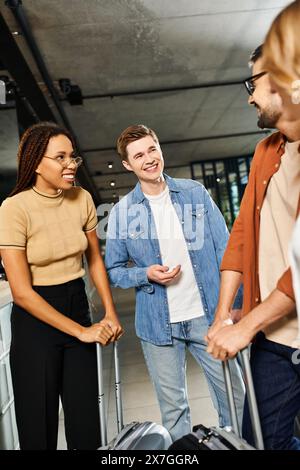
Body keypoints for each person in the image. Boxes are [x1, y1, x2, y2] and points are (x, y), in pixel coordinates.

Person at [104, 124, 245, 442]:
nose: (149, 159)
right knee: (175, 415)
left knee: (236, 405)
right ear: (128, 165)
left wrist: (236, 309)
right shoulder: (123, 213)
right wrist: (145, 274)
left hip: (208, 319)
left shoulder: (194, 193)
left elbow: (227, 252)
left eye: (152, 149)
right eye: (139, 155)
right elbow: (113, 270)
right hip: (158, 328)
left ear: (159, 148)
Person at [0, 122, 123, 450]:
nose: (71, 164)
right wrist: (80, 332)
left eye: (73, 157)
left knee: (86, 426)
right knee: (38, 429)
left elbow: (94, 260)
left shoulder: (81, 198)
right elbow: (22, 293)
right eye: (61, 157)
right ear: (37, 162)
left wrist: (110, 313)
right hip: (35, 322)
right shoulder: (14, 208)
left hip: (76, 303)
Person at [206, 44, 300, 449]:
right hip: (275, 341)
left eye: (254, 82)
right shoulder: (267, 151)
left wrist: (246, 326)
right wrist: (225, 315)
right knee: (261, 442)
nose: (249, 96)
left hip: (263, 324)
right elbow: (242, 232)